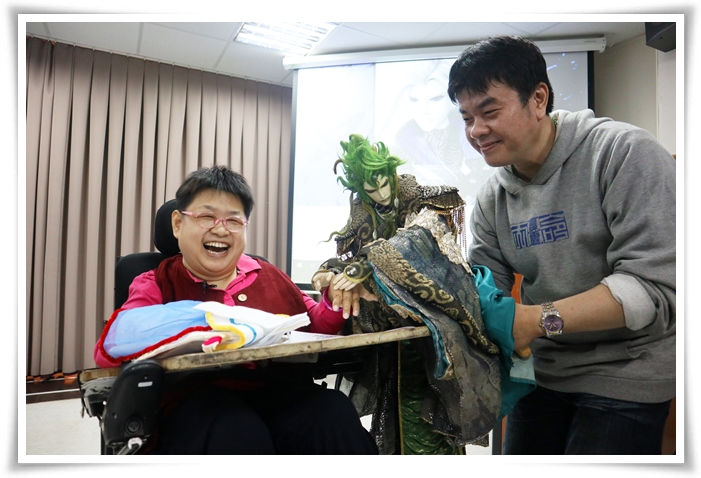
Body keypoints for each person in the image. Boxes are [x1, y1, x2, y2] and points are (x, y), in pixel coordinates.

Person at [447, 36, 676, 455]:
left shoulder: (624, 154)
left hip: (627, 371)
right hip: (543, 374)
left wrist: (538, 320)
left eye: (489, 111)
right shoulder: (491, 198)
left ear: (538, 99)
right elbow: (485, 292)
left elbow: (652, 291)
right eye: (465, 118)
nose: (476, 131)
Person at [94, 165, 378, 455]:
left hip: (277, 390)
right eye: (206, 217)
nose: (220, 229)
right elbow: (116, 344)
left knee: (333, 412)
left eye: (233, 220)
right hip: (198, 400)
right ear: (178, 224)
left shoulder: (269, 274)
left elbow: (313, 324)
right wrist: (198, 321)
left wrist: (334, 300)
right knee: (236, 430)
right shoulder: (155, 281)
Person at [312, 134, 530, 455]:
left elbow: (418, 243)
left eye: (382, 181)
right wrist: (330, 271)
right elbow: (346, 253)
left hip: (432, 335)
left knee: (429, 429)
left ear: (391, 171)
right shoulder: (365, 212)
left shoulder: (427, 201)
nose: (380, 193)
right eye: (370, 189)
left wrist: (366, 266)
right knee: (396, 430)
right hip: (391, 344)